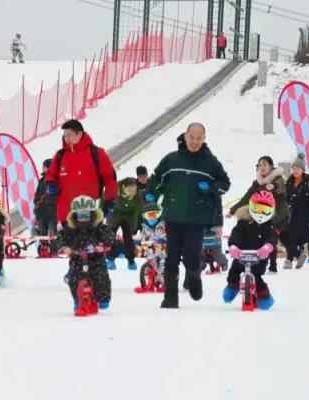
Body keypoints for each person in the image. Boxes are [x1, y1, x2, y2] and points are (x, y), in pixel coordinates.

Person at [146, 123, 230, 308]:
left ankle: (193, 277)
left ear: (204, 139)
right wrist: (151, 193)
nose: (195, 142)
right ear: (185, 136)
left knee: (192, 255)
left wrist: (211, 188)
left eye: (199, 138)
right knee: (172, 257)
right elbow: (157, 178)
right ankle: (170, 298)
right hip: (173, 214)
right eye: (192, 137)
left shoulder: (210, 162)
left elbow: (225, 183)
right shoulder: (171, 160)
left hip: (197, 217)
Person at [44, 119, 117, 226]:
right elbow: (51, 175)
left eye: (69, 135)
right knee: (66, 243)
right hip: (67, 216)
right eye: (65, 135)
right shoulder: (60, 156)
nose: (66, 138)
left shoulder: (96, 153)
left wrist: (110, 200)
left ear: (80, 134)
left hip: (92, 214)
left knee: (94, 243)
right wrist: (51, 184)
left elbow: (110, 179)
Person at [227, 156, 287, 272]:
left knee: (271, 234)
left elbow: (281, 189)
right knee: (258, 233)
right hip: (262, 212)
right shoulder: (257, 183)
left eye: (265, 164)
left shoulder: (277, 178)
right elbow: (246, 198)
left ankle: (273, 264)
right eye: (260, 165)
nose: (262, 167)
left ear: (270, 166)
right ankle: (256, 259)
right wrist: (232, 210)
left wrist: (273, 187)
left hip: (278, 213)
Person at [56, 195, 115, 313]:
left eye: (86, 215)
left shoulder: (98, 227)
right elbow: (60, 238)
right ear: (74, 216)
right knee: (74, 278)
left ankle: (103, 298)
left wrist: (103, 245)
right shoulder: (70, 229)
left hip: (96, 259)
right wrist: (64, 247)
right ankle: (77, 300)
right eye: (80, 215)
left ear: (93, 214)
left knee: (101, 276)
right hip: (77, 259)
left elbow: (109, 236)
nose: (84, 219)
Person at [222, 191, 276, 310]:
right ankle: (232, 286)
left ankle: (264, 296)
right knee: (234, 271)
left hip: (259, 257)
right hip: (241, 254)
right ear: (251, 207)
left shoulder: (269, 226)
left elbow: (272, 238)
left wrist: (268, 247)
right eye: (257, 208)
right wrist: (233, 246)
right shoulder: (243, 223)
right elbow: (236, 234)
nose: (260, 213)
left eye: (265, 210)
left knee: (257, 276)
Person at [284, 154, 309, 269]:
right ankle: (294, 257)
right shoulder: (289, 181)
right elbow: (286, 196)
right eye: (293, 169)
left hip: (305, 213)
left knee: (299, 236)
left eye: (297, 169)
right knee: (290, 236)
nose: (295, 171)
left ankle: (291, 258)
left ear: (302, 170)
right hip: (292, 212)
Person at [107, 177, 142, 271]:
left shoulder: (137, 196)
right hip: (115, 214)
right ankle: (110, 259)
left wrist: (134, 226)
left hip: (129, 216)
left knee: (128, 237)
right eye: (130, 189)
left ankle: (131, 260)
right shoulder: (115, 191)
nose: (132, 192)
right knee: (111, 236)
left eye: (134, 189)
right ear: (123, 187)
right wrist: (103, 212)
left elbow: (137, 211)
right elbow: (104, 200)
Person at [33, 159, 58, 236]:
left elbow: (54, 196)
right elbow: (37, 196)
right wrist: (36, 207)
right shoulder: (42, 180)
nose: (42, 168)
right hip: (41, 214)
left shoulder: (55, 180)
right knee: (42, 237)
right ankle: (44, 247)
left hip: (52, 214)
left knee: (52, 236)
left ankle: (53, 247)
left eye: (44, 166)